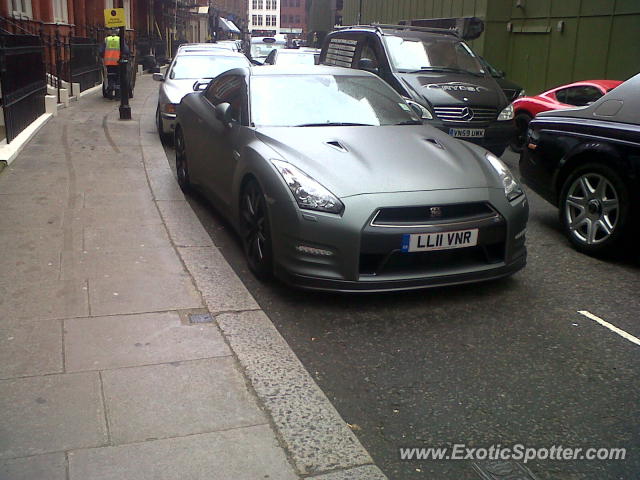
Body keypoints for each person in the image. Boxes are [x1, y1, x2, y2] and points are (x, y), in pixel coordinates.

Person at [99, 29, 130, 97]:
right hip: (118, 63)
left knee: (110, 76)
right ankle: (117, 92)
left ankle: (110, 90)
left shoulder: (106, 40)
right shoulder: (120, 40)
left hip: (109, 63)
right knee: (118, 77)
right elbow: (126, 50)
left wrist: (103, 56)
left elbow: (101, 51)